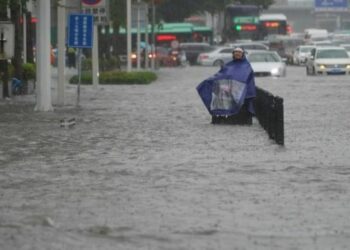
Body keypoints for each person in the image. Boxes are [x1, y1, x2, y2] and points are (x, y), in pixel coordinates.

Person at [196, 47, 256, 124]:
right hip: (227, 93)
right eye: (236, 52)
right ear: (233, 54)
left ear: (242, 54)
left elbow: (245, 79)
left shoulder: (247, 66)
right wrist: (209, 81)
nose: (237, 54)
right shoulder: (228, 66)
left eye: (239, 53)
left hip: (241, 94)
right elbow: (220, 76)